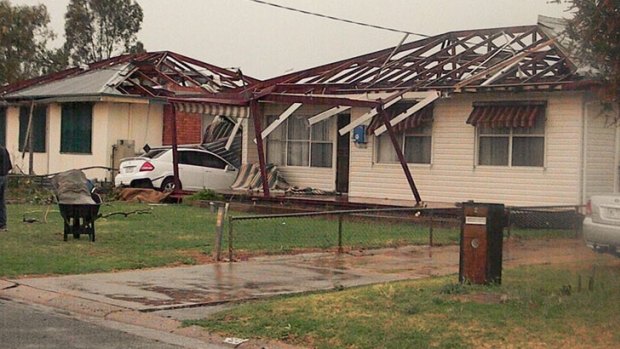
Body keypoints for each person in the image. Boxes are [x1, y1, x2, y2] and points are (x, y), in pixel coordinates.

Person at [0, 145, 12, 231]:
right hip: (4, 176)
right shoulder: (4, 150)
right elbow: (9, 166)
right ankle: (2, 224)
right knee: (1, 201)